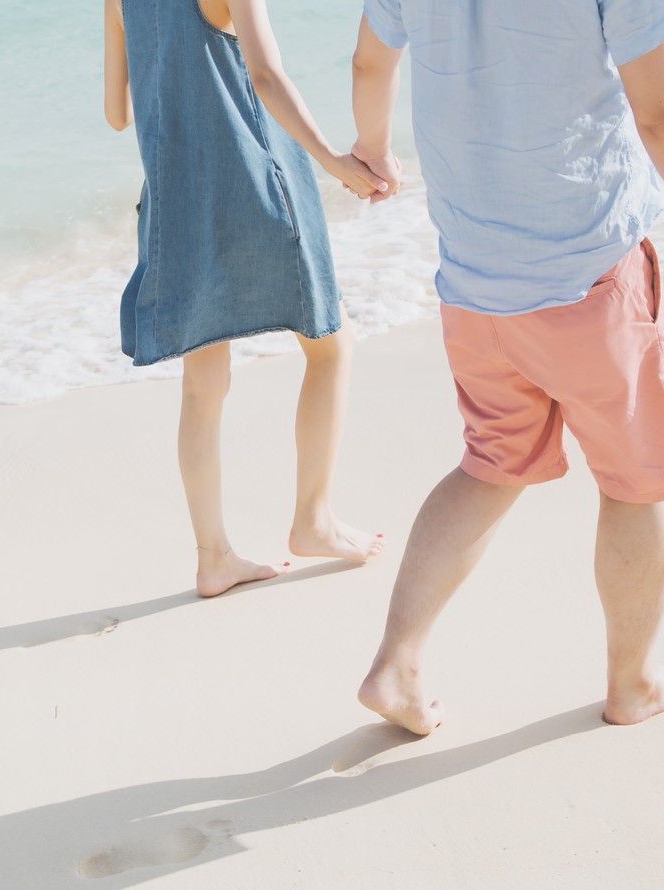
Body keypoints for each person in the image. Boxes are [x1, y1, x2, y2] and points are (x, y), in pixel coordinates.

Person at [346, 0, 664, 730]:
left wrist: (372, 147)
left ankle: (396, 662)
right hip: (588, 275)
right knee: (635, 481)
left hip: (475, 282)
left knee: (490, 463)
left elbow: (369, 61)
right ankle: (634, 683)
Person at [104, 0, 389, 598]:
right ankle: (313, 519)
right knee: (331, 348)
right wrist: (334, 160)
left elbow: (117, 112)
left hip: (176, 197)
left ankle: (214, 558)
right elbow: (265, 77)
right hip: (258, 181)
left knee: (203, 384)